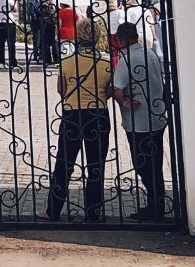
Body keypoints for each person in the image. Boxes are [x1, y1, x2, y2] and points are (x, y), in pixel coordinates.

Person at [45, 20, 114, 222]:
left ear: (79, 37)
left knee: (64, 164)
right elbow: (109, 91)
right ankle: (93, 211)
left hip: (73, 114)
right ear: (97, 38)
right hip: (98, 115)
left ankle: (53, 210)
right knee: (96, 165)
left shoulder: (67, 62)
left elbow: (61, 90)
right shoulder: (106, 64)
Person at [111, 22, 169, 220]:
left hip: (138, 121)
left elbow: (117, 87)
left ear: (121, 40)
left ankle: (154, 208)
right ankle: (158, 204)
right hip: (157, 117)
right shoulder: (150, 53)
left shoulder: (127, 60)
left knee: (142, 164)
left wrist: (123, 101)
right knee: (156, 164)